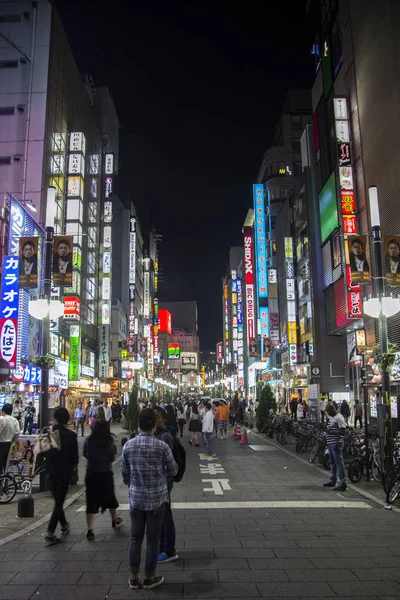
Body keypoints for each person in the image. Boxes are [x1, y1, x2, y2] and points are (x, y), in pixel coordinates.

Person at [121, 408, 178, 590]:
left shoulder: (128, 446)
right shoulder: (162, 446)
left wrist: (134, 484)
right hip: (156, 500)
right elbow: (174, 470)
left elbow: (125, 474)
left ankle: (133, 577)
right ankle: (149, 577)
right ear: (154, 425)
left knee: (135, 537)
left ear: (139, 424)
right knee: (153, 540)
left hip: (136, 500)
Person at [45, 407, 79, 545]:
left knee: (58, 501)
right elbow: (74, 458)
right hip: (64, 472)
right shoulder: (70, 435)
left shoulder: (49, 433)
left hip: (50, 471)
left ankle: (64, 524)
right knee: (59, 502)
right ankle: (50, 531)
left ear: (55, 418)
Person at [84, 419, 122, 541]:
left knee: (90, 501)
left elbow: (85, 454)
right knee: (109, 497)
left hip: (91, 474)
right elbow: (111, 458)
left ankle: (90, 530)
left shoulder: (88, 441)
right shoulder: (109, 442)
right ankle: (114, 520)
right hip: (105, 473)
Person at [154, 407, 178, 565]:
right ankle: (162, 546)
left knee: (165, 514)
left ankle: (169, 549)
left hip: (164, 480)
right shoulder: (154, 434)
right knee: (159, 514)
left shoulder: (165, 436)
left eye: (156, 417)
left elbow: (169, 464)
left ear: (163, 418)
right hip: (157, 482)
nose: (154, 419)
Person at [323, 402, 347, 492]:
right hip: (331, 443)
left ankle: (343, 483)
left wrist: (331, 432)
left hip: (336, 443)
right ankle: (333, 480)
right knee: (333, 463)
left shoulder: (339, 418)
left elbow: (343, 431)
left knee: (339, 463)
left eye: (328, 411)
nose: (327, 413)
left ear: (332, 409)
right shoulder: (333, 417)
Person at [0, 403, 20, 474]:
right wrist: (12, 440)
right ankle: (5, 480)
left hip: (1, 443)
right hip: (9, 444)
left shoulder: (2, 419)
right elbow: (17, 432)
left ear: (3, 410)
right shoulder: (15, 420)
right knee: (7, 463)